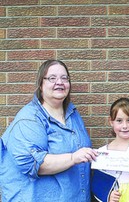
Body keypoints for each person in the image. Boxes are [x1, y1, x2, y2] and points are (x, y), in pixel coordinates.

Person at [0, 60, 98, 202]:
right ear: (41, 84)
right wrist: (73, 158)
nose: (60, 82)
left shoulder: (73, 114)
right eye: (52, 78)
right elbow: (34, 164)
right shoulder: (29, 119)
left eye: (64, 78)